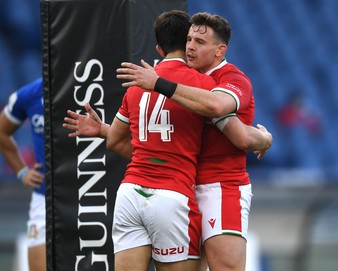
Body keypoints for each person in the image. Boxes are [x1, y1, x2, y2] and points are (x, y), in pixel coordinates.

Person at [63, 10, 271, 271]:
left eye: (199, 42)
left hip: (219, 187)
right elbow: (165, 135)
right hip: (178, 189)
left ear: (220, 51)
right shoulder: (191, 83)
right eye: (189, 40)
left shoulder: (226, 80)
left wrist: (265, 139)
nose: (192, 47)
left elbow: (233, 127)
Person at [0, 78, 46, 271]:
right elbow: (2, 131)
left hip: (91, 194)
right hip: (44, 197)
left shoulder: (91, 89)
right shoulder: (30, 94)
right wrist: (21, 172)